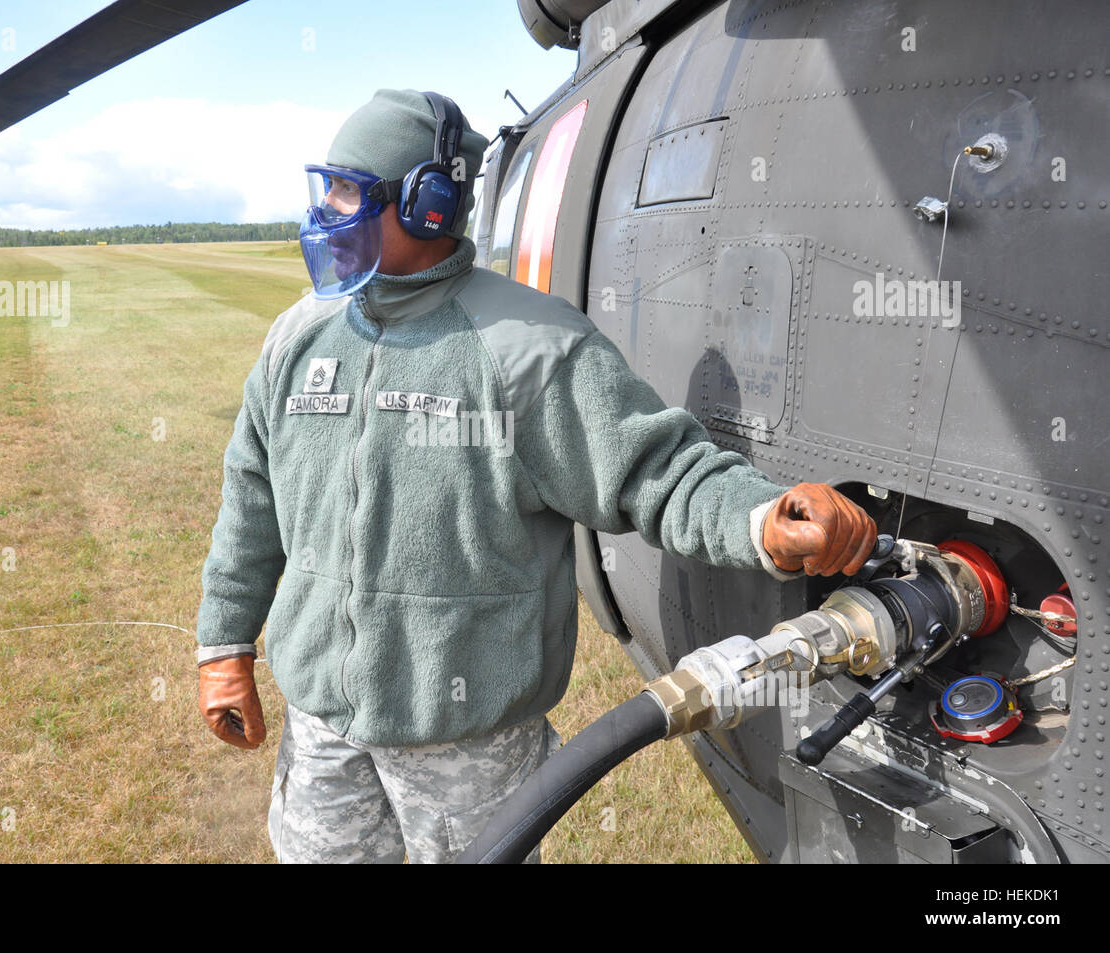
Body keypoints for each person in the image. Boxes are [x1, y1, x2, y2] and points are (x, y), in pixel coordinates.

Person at [195, 88, 876, 864]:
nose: (329, 213)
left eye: (351, 192)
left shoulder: (534, 349)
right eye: (329, 190)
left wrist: (763, 519)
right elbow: (251, 498)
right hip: (319, 733)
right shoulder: (297, 336)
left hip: (470, 748)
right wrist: (224, 646)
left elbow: (656, 471)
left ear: (428, 204)